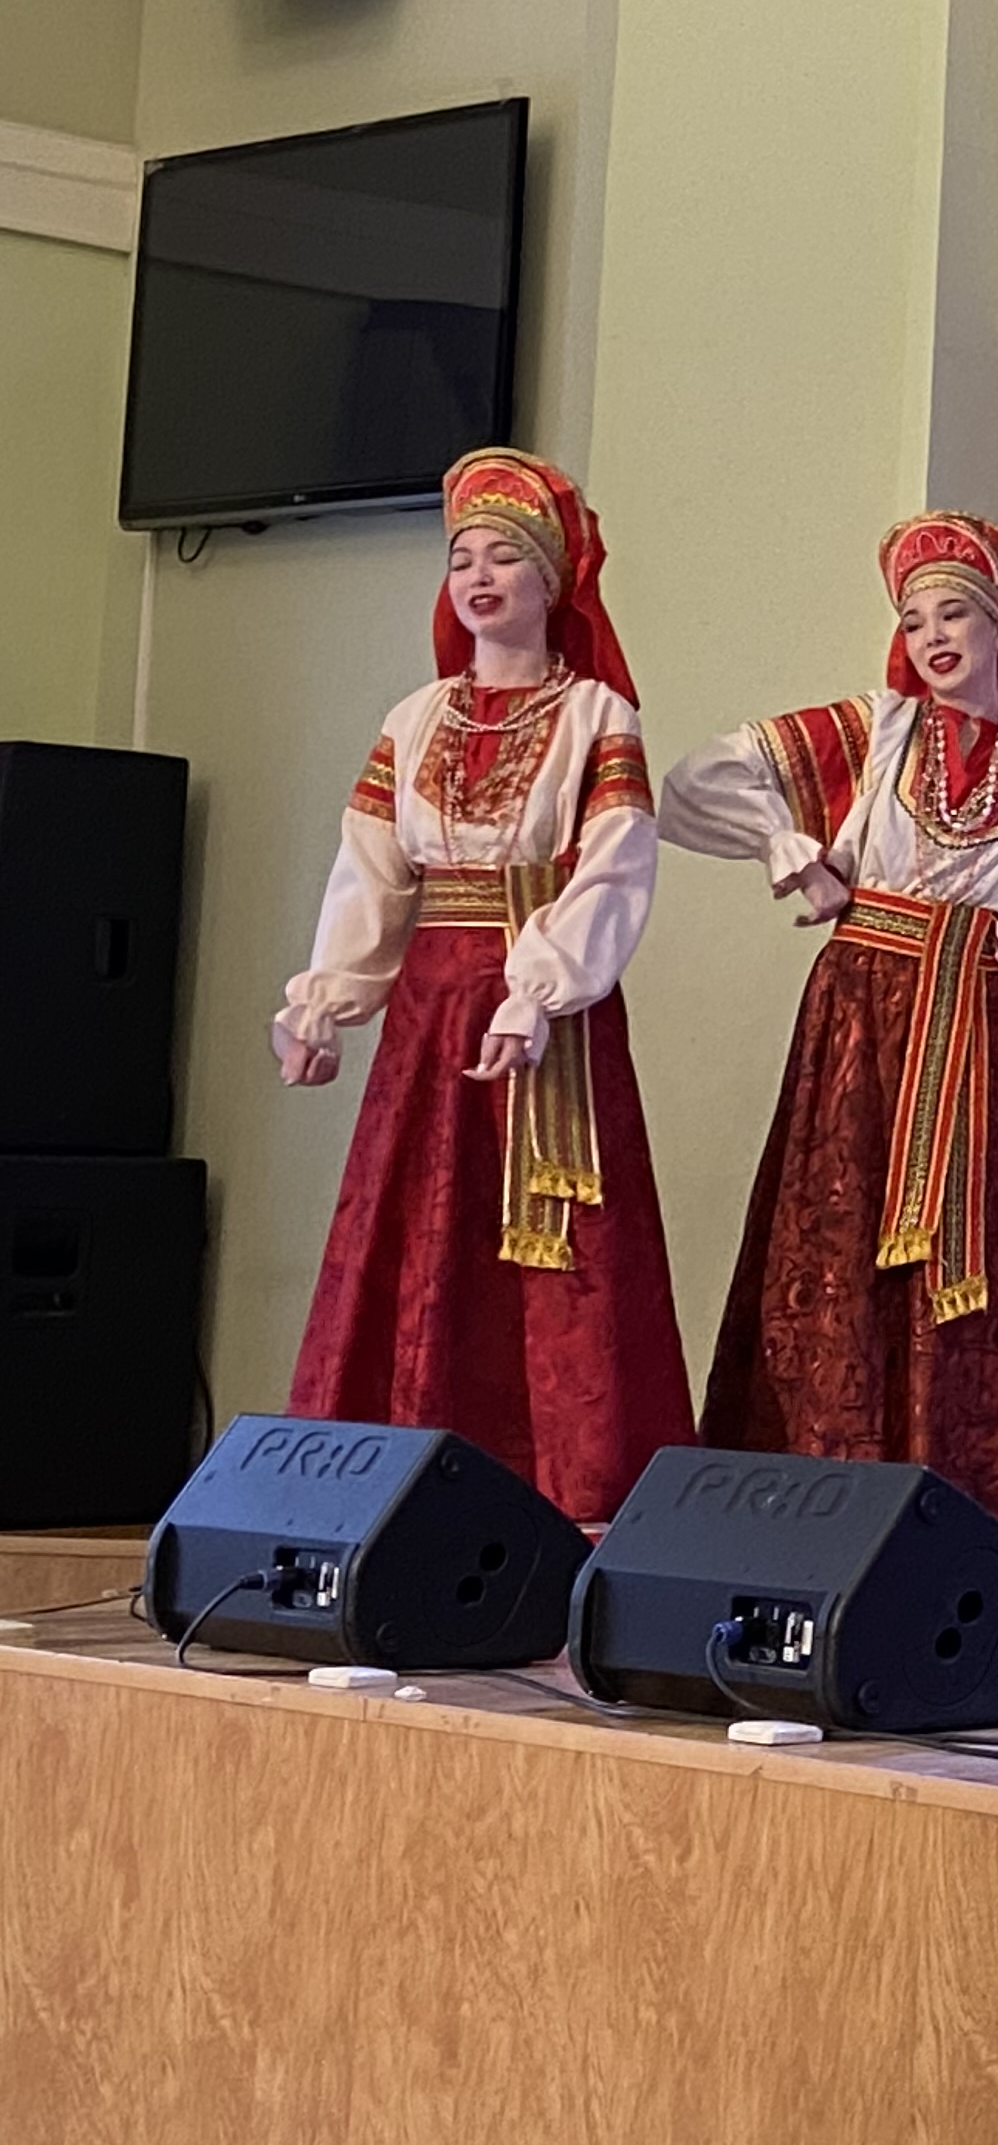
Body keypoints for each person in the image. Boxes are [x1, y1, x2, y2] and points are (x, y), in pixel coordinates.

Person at [661, 513, 998, 1539]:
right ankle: (820, 1478)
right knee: (838, 1223)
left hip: (980, 1017)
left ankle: (977, 1488)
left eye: (954, 613)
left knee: (984, 1236)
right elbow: (699, 780)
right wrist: (790, 850)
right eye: (914, 621)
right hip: (862, 1012)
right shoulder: (877, 731)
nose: (933, 636)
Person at [273, 448, 694, 1519]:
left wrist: (540, 989)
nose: (479, 576)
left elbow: (614, 866)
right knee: (416, 1225)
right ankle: (393, 1485)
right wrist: (323, 1003)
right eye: (462, 558)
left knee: (561, 1245)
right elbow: (373, 874)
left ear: (553, 579)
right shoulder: (414, 719)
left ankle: (573, 1486)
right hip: (430, 1012)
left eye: (505, 555)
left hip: (544, 1015)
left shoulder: (597, 716)